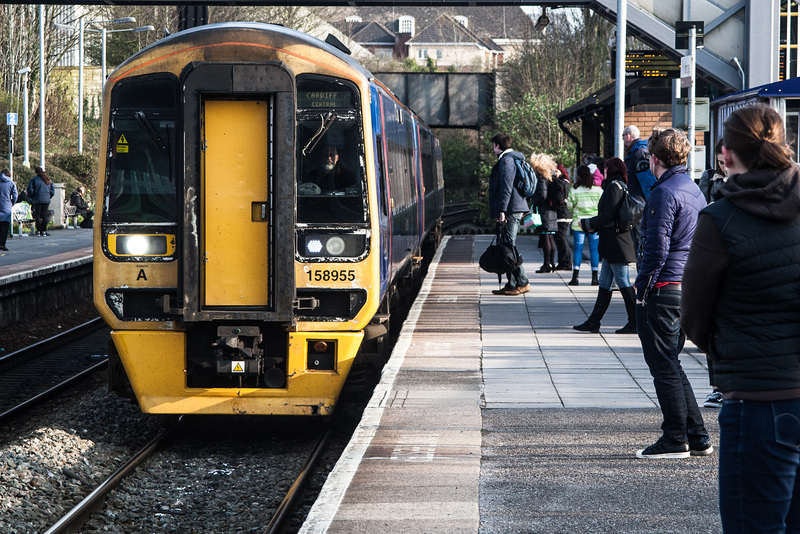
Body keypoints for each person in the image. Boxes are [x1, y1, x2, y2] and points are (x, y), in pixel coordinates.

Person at [682, 104, 800, 531]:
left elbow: (694, 317)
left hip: (757, 399)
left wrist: (730, 351)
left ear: (726, 155)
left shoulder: (720, 220)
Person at [633, 128, 710, 459]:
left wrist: (642, 287)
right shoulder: (693, 190)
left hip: (663, 287)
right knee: (671, 362)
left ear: (655, 159)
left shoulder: (663, 194)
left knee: (662, 364)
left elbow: (656, 247)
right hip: (684, 286)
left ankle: (675, 438)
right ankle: (699, 435)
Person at [573, 157, 637, 334]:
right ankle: (594, 321)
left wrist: (588, 223)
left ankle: (635, 322)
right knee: (605, 282)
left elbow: (609, 214)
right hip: (613, 242)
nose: (603, 171)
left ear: (611, 169)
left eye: (606, 168)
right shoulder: (618, 186)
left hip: (617, 243)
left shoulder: (614, 187)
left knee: (623, 280)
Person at [487, 133, 530, 295]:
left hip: (511, 209)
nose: (493, 149)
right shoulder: (509, 159)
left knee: (508, 246)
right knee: (507, 245)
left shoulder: (507, 161)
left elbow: (506, 188)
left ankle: (522, 282)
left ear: (498, 146)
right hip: (512, 208)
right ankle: (512, 283)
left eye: (493, 146)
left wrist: (502, 211)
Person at [566, 165, 602, 286]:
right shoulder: (598, 190)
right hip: (594, 224)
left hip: (578, 224)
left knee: (578, 249)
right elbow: (602, 205)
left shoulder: (574, 190)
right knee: (594, 249)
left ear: (579, 176)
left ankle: (575, 277)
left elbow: (570, 206)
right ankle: (595, 277)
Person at [528, 153, 558, 273]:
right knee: (550, 238)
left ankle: (546, 264)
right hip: (551, 211)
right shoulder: (551, 177)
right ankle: (551, 263)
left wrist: (533, 202)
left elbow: (541, 195)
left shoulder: (541, 179)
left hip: (543, 211)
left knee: (545, 238)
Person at [553, 163, 572, 271]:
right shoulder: (563, 182)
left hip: (563, 214)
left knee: (561, 238)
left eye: (556, 171)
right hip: (562, 214)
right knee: (559, 239)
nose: (554, 173)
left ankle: (566, 262)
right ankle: (563, 261)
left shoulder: (564, 183)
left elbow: (560, 197)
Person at [697, 139, 727, 204]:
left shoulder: (743, 178)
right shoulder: (709, 176)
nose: (725, 166)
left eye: (728, 162)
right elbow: (701, 204)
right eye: (721, 162)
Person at [27, 166, 54, 237]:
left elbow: (30, 190)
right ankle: (44, 231)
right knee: (44, 215)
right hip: (46, 200)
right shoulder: (48, 180)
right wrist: (48, 196)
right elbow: (52, 191)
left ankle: (38, 231)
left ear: (36, 172)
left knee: (38, 215)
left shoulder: (34, 180)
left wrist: (32, 196)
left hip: (37, 199)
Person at [0, 168, 18, 251]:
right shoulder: (11, 183)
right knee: (4, 226)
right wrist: (11, 203)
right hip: (6, 206)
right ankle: (2, 244)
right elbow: (15, 196)